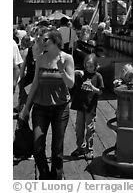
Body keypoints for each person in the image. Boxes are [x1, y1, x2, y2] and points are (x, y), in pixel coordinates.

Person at [20, 29, 75, 179]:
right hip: (40, 108)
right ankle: (44, 175)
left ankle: (56, 178)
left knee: (57, 148)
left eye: (45, 39)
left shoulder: (67, 58)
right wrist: (26, 108)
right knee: (37, 146)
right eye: (40, 39)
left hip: (60, 108)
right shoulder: (40, 59)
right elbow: (35, 84)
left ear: (55, 40)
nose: (41, 42)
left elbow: (71, 84)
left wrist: (62, 70)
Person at [70, 54, 104, 159]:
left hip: (90, 107)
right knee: (79, 127)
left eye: (91, 66)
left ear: (95, 66)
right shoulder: (82, 74)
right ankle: (80, 147)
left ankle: (90, 149)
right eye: (87, 66)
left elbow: (100, 91)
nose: (89, 68)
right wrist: (77, 71)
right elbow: (70, 73)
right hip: (80, 106)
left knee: (90, 128)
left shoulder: (98, 76)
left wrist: (93, 87)